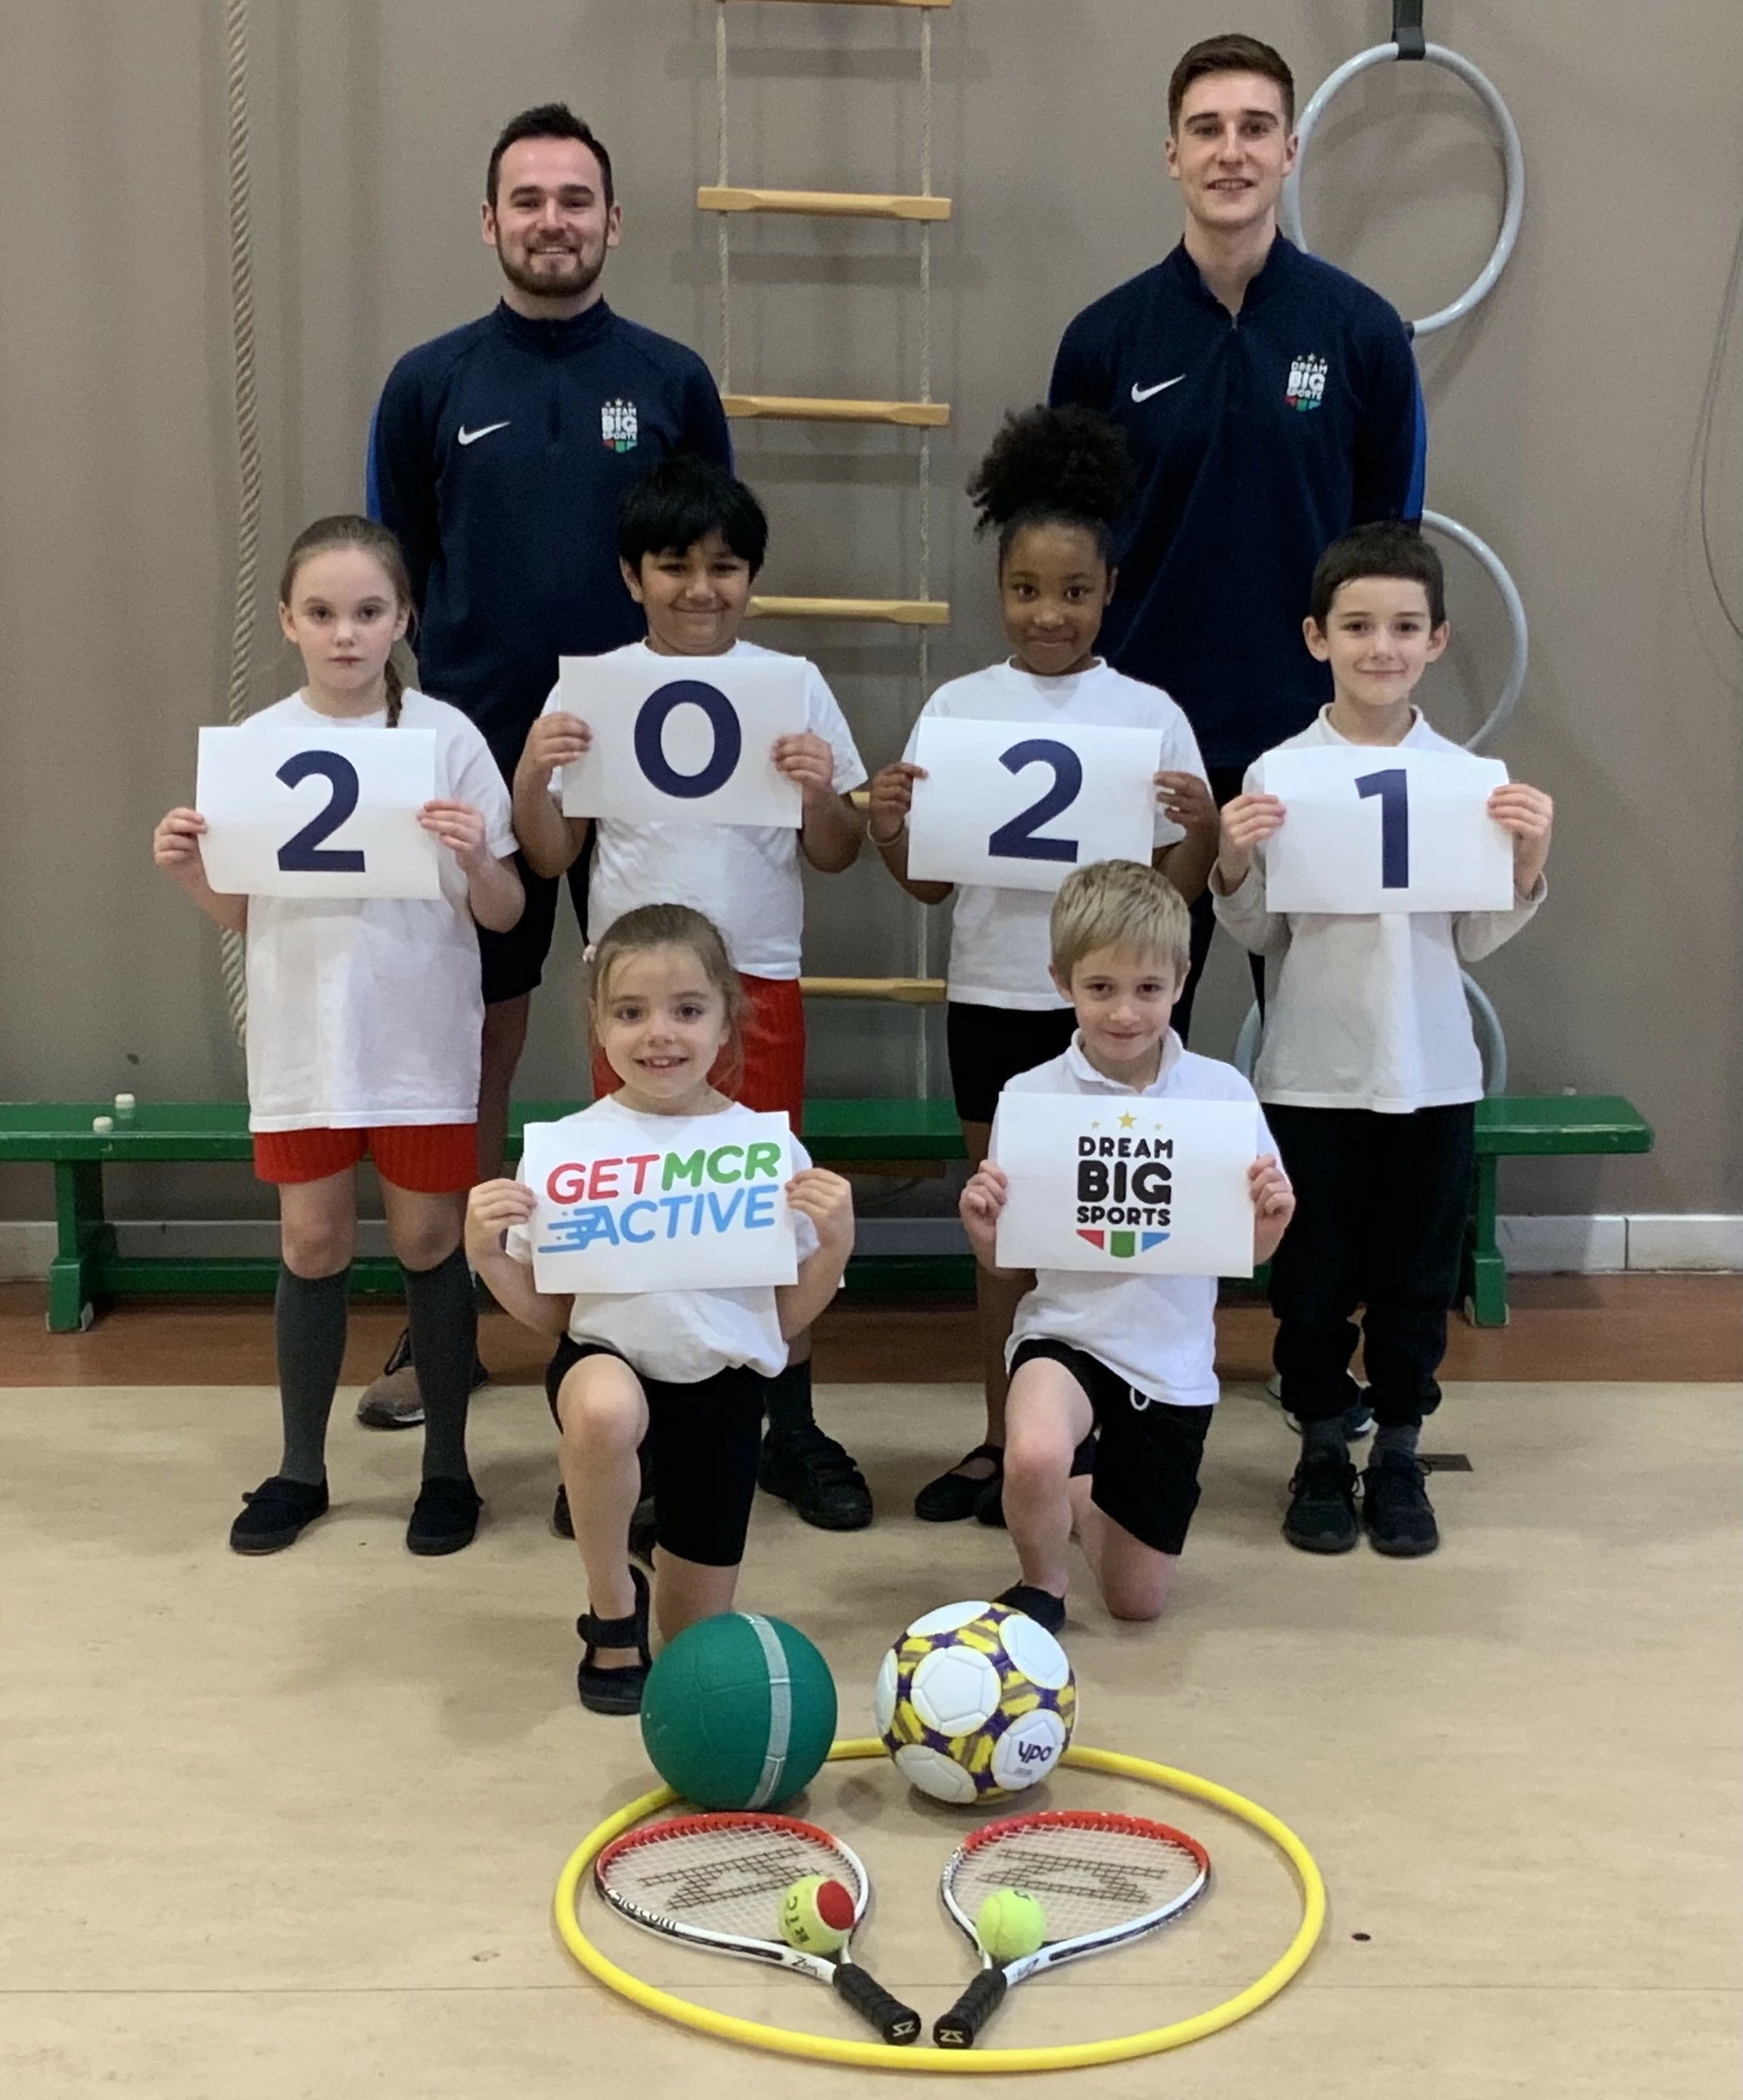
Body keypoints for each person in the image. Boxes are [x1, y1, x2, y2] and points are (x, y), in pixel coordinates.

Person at [360, 102, 732, 1427]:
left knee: (656, 1024)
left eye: (576, 199)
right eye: (529, 200)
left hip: (649, 778)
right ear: (489, 222)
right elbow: (390, 575)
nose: (553, 221)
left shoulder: (674, 380)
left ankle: (654, 1315)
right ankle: (449, 1334)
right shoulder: (430, 384)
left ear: (612, 222)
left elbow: (706, 567)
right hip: (480, 771)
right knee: (487, 1040)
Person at [865, 405, 1217, 1525]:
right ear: (998, 590)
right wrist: (883, 825)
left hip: (1118, 1021)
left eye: (1072, 590)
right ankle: (1001, 1430)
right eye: (1025, 588)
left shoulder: (1147, 710)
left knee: (1124, 1229)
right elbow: (927, 881)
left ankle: (1122, 1427)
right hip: (994, 997)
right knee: (1005, 1231)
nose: (1047, 611)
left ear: (1107, 589)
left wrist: (1200, 821)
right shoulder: (957, 707)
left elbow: (1183, 885)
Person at [511, 456, 873, 1529]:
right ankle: (632, 1431)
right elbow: (544, 854)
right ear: (633, 576)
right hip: (629, 993)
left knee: (766, 1208)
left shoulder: (791, 683)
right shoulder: (592, 684)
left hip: (753, 977)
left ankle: (783, 1422)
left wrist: (819, 792)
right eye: (674, 566)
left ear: (751, 578)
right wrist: (533, 771)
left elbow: (842, 848)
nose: (699, 588)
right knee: (634, 1208)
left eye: (723, 568)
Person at [152, 516, 523, 1555]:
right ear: (287, 621)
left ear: (403, 617)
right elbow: (249, 910)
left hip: (415, 1037)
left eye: (368, 611)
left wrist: (473, 854)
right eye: (322, 613)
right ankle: (299, 1466)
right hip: (304, 1038)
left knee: (427, 1240)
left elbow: (500, 910)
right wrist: (191, 870)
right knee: (309, 1240)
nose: (346, 633)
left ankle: (447, 1467)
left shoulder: (444, 736)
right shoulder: (260, 743)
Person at [1049, 32, 1425, 1043]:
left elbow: (1390, 548)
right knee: (1120, 1027)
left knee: (1319, 1034)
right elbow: (1060, 560)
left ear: (1289, 151)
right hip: (1141, 743)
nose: (1230, 151)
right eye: (1204, 129)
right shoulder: (1101, 340)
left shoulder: (1361, 332)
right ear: (1170, 153)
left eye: (1254, 128)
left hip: (1311, 742)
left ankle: (1298, 1212)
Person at [1212, 522, 1553, 1556]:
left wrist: (1526, 859)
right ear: (1316, 636)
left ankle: (1397, 1447)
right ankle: (1321, 1441)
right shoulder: (1282, 768)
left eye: (1404, 626)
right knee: (1310, 1275)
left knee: (1414, 1273)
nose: (1380, 646)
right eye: (1357, 625)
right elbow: (1260, 931)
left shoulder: (1463, 775)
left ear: (1437, 640)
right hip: (1310, 1069)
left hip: (1432, 1069)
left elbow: (1479, 938)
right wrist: (1231, 864)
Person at [465, 904, 855, 1713]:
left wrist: (833, 1248)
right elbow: (554, 1318)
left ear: (727, 1020)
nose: (659, 1034)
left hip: (721, 1391)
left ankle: (656, 1578)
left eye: (686, 1009)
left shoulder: (766, 1153)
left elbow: (778, 1323)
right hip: (605, 1367)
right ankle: (610, 1604)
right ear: (598, 1024)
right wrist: (482, 1257)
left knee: (692, 1650)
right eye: (630, 1012)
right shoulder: (569, 1149)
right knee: (605, 1410)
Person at [956, 860, 1295, 1632]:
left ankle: (1081, 1489)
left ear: (1180, 980)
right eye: (1100, 987)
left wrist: (1272, 1219)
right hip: (1063, 1333)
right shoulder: (1031, 1096)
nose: (1123, 1012)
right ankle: (1040, 1584)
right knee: (1034, 1449)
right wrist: (984, 1233)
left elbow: (1254, 1246)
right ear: (1061, 980)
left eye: (1146, 988)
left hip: (1170, 1360)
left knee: (1136, 1602)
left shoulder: (1220, 1095)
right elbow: (1010, 1263)